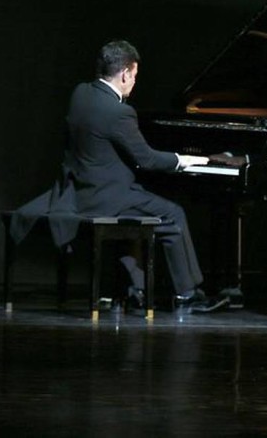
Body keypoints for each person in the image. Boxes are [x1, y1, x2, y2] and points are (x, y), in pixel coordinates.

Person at [13, 40, 227, 313]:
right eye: (135, 76)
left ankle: (133, 290)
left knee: (140, 216)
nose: (134, 83)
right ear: (125, 73)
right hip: (104, 197)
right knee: (173, 215)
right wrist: (182, 160)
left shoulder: (81, 93)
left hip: (75, 192)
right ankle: (187, 293)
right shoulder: (119, 112)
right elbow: (147, 159)